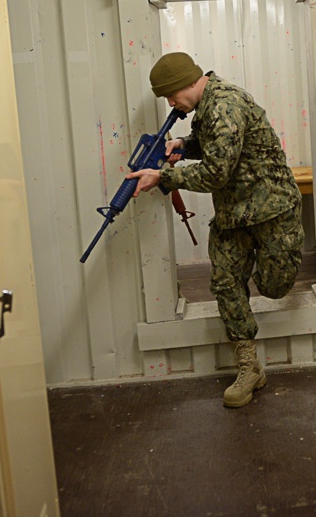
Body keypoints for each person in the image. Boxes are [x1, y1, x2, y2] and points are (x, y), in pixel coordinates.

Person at [127, 52, 304, 408]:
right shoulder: (207, 106)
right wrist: (183, 145)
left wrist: (163, 176)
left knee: (274, 286)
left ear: (188, 83)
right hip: (233, 214)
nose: (170, 102)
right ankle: (249, 366)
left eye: (171, 94)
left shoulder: (224, 105)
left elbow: (215, 173)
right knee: (225, 281)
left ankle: (270, 256)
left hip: (271, 209)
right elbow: (213, 145)